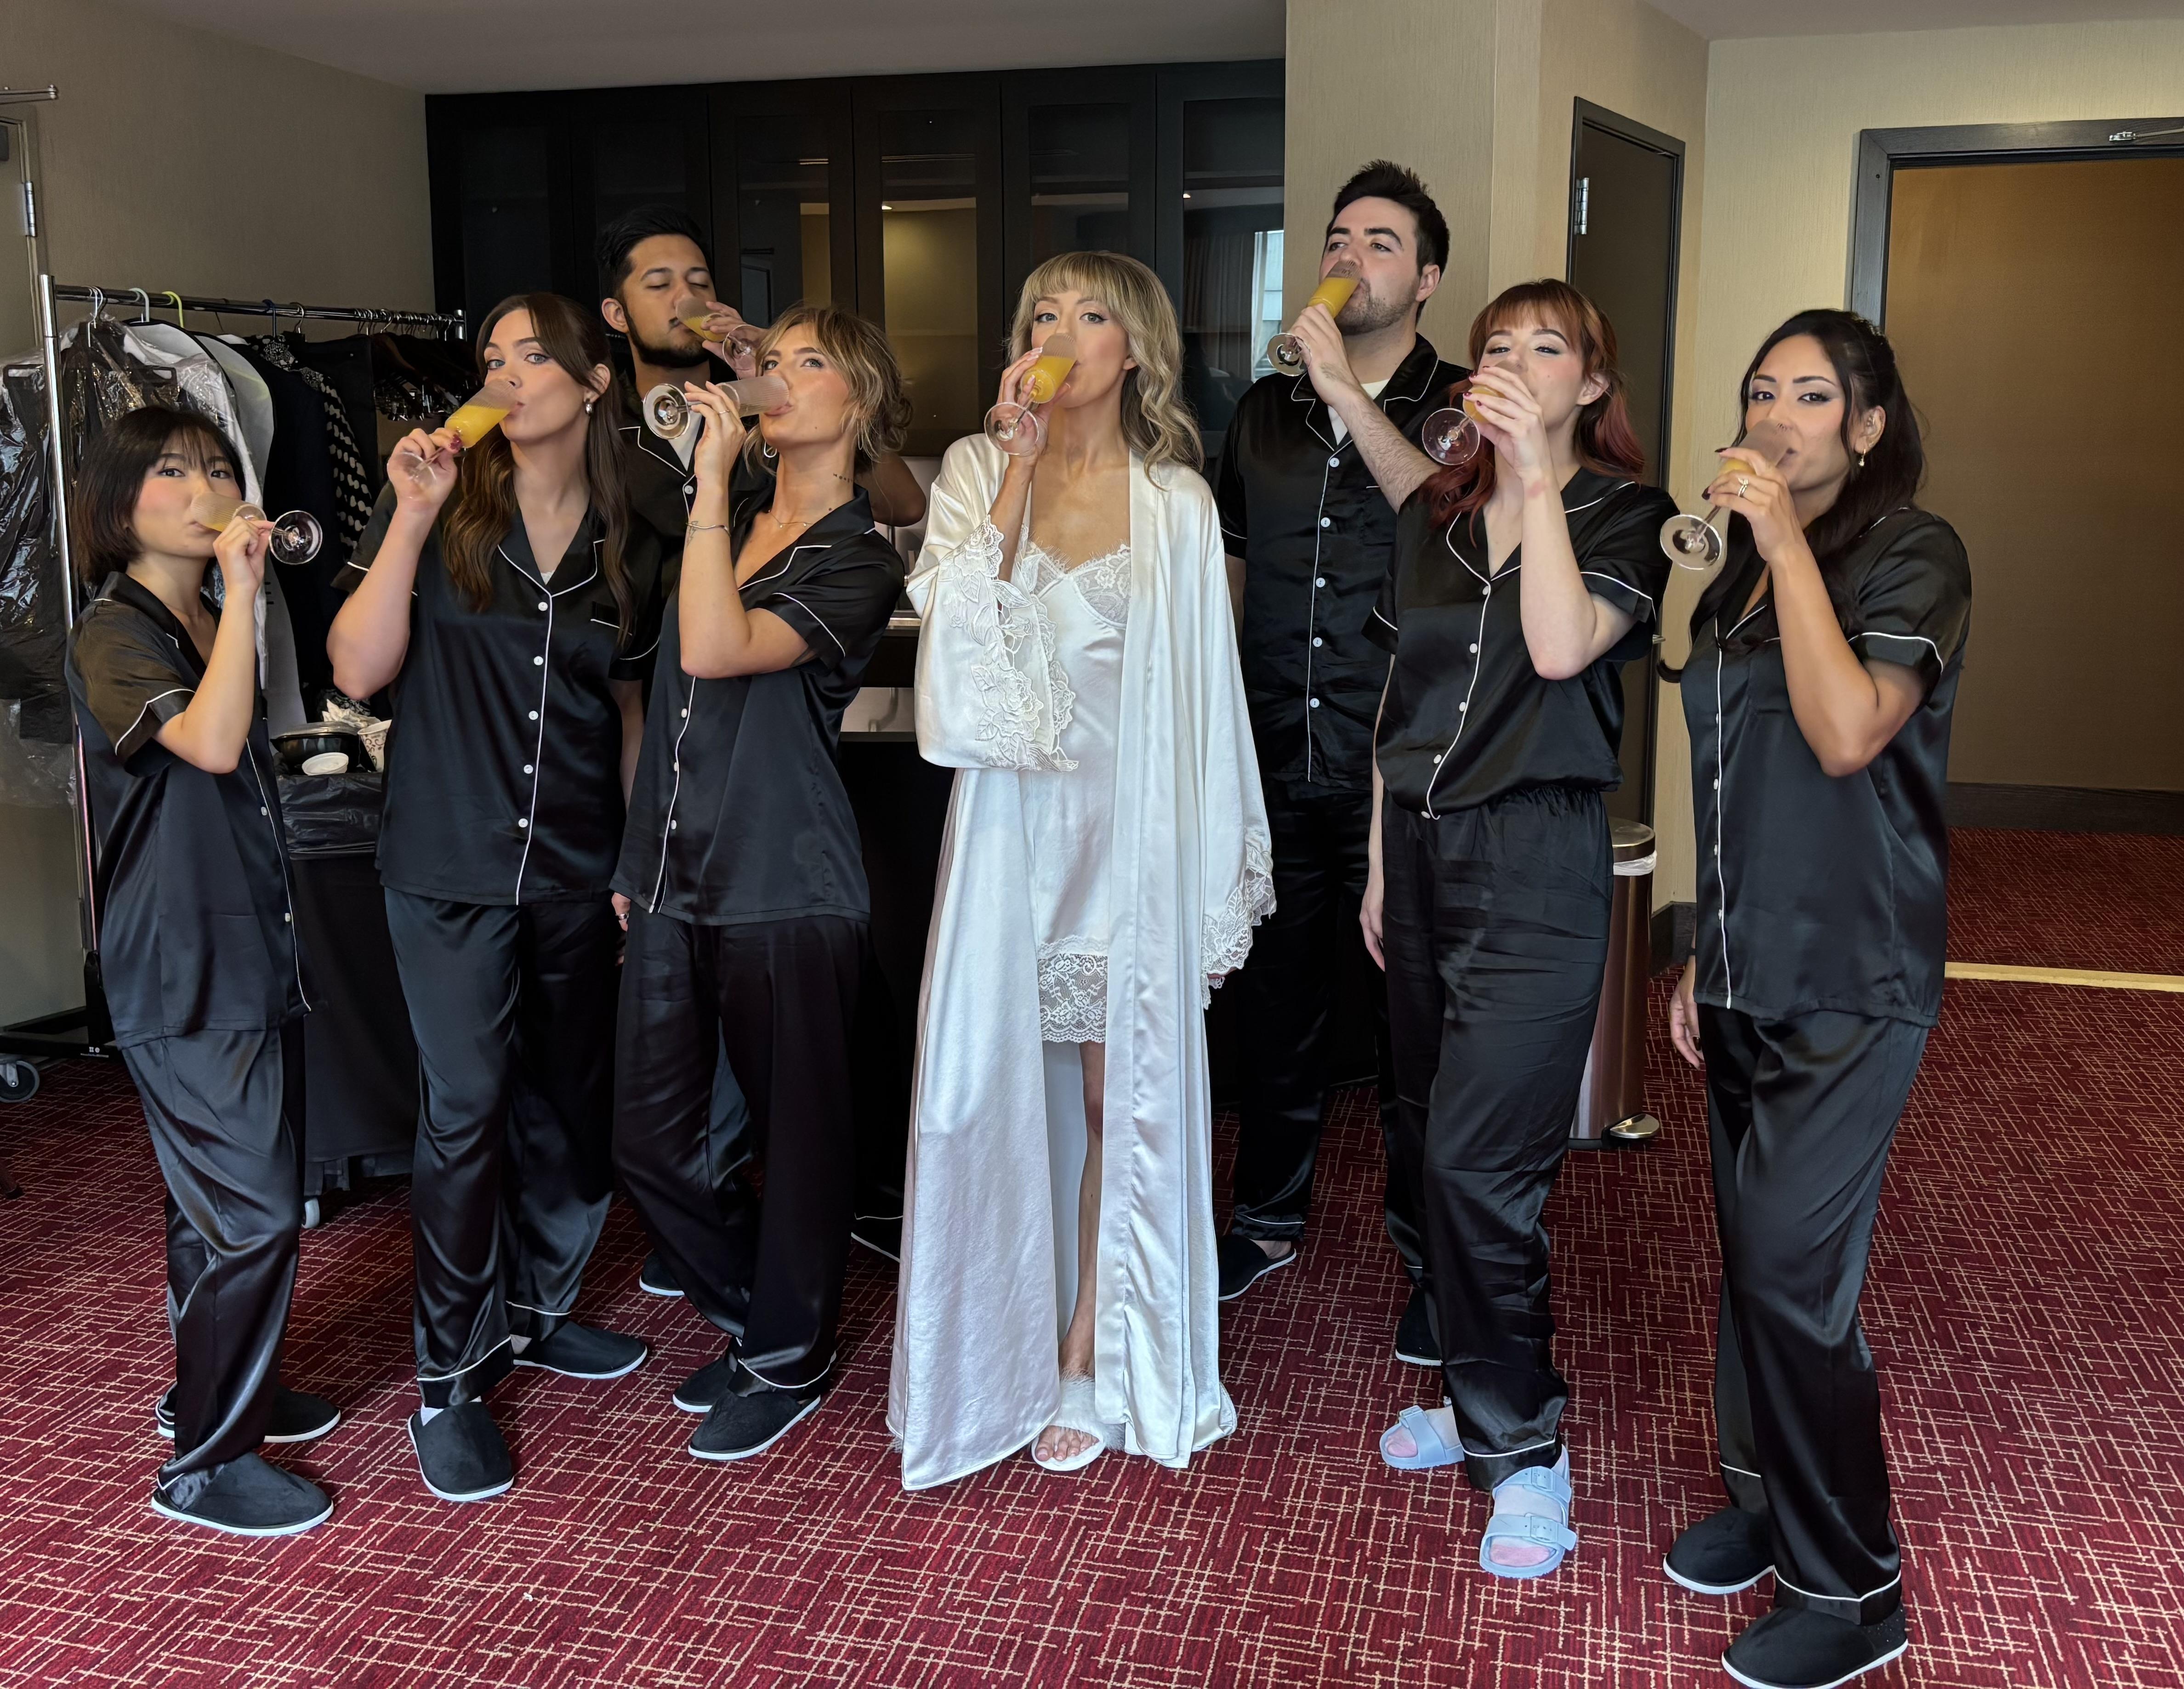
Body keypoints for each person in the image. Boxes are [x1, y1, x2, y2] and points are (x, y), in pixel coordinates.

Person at [889, 251, 1273, 1486]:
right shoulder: (971, 469)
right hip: (1009, 840)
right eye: (1041, 310)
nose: (1059, 332)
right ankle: (986, 1346)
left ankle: (1087, 1349)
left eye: (1090, 313)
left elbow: (1208, 699)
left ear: (1137, 349)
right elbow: (956, 646)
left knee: (1121, 1101)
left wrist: (1207, 870)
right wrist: (1016, 463)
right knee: (978, 1093)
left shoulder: (1178, 504)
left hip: (1129, 841)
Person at [1663, 311, 1967, 1689]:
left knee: (1796, 1271)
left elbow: (1845, 735)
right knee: (1752, 1259)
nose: (1774, 418)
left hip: (1854, 973)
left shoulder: (1914, 553)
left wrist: (1784, 543)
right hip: (1747, 965)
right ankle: (1769, 1497)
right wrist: (1701, 947)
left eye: (1809, 395)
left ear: (1868, 424)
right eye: (1758, 393)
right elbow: (1736, 781)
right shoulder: (1737, 569)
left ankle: (1854, 1590)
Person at [327, 293, 665, 1504]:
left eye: (535, 356)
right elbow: (357, 667)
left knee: (568, 1104)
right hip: (448, 867)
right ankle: (451, 1379)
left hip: (576, 863)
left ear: (594, 383)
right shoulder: (434, 501)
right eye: (493, 358)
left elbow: (629, 713)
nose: (508, 375)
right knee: (465, 1111)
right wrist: (412, 516)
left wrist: (633, 864)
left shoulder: (633, 536)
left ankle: (539, 1305)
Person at [1364, 280, 1674, 1579]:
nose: (1514, 362)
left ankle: (1527, 1443)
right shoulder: (1435, 518)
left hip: (1538, 856)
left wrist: (1537, 474)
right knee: (1424, 1137)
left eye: (1547, 347)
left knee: (1481, 1162)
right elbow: (1402, 698)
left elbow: (1557, 649)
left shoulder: (1627, 514)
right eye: (1498, 345)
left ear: (1591, 385)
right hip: (1420, 849)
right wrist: (1379, 866)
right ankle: (1472, 1389)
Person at [596, 206, 925, 1281]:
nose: (779, 378)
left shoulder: (856, 557)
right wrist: (639, 858)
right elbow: (667, 701)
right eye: (771, 359)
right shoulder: (730, 524)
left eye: (809, 363)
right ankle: (755, 1298)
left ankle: (788, 1343)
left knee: (798, 1143)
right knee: (647, 1139)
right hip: (675, 874)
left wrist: (704, 481)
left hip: (785, 877)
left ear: (859, 404)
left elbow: (716, 649)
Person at [66, 407, 336, 1536]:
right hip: (178, 969)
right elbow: (216, 744)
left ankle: (215, 1388)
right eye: (171, 471)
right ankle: (205, 1467)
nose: (204, 486)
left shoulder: (206, 618)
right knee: (257, 1215)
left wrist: (234, 603)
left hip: (247, 948)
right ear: (119, 505)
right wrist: (244, 592)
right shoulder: (112, 632)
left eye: (218, 467)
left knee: (213, 1209)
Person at [1211, 162, 1465, 1364]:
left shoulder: (1462, 407)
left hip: (1403, 769)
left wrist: (1345, 392)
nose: (1349, 257)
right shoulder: (1261, 413)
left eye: (1380, 242)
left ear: (1427, 277)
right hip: (1270, 746)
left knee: (1418, 1026)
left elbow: (1450, 527)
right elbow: (1230, 571)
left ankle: (1431, 1255)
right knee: (1274, 1005)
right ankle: (1265, 1216)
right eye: (1336, 238)